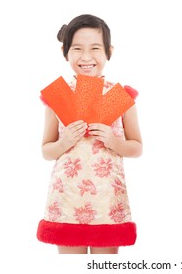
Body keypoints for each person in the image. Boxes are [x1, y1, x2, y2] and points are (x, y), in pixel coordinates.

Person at [36, 14, 143, 254]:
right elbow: (46, 150)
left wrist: (113, 141)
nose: (86, 57)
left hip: (106, 200)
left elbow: (137, 147)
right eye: (77, 49)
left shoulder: (121, 98)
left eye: (95, 48)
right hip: (67, 198)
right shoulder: (57, 98)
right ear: (65, 52)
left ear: (109, 51)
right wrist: (64, 142)